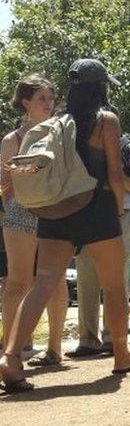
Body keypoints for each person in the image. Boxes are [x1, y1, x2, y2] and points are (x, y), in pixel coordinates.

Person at [0, 59, 130, 393]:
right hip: (95, 209)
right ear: (100, 88)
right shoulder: (105, 121)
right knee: (113, 286)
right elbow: (114, 174)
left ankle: (10, 358)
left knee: (42, 283)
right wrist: (114, 213)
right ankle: (122, 354)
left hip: (57, 212)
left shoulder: (58, 121)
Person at [0, 74, 69, 367]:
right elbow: (4, 185)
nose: (49, 104)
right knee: (18, 281)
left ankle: (54, 349)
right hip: (21, 215)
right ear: (25, 102)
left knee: (56, 281)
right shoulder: (11, 140)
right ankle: (9, 351)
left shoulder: (62, 134)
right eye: (42, 98)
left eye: (51, 99)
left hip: (55, 213)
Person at [67, 133, 130, 357]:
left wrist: (116, 175)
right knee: (86, 277)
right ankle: (87, 340)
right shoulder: (81, 147)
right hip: (86, 215)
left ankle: (112, 338)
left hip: (121, 215)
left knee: (118, 278)